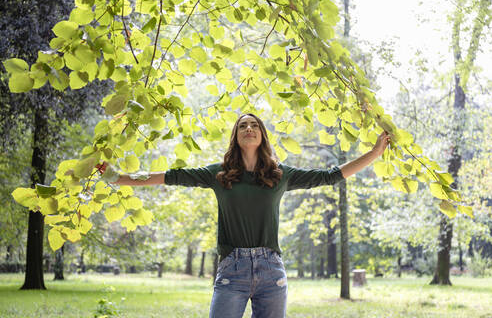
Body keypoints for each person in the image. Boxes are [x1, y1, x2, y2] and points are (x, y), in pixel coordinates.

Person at [97, 113, 391, 318]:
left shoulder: (281, 175)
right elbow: (167, 177)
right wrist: (117, 177)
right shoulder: (218, 174)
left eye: (254, 125)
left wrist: (375, 153)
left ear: (262, 135)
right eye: (242, 126)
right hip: (232, 270)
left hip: (271, 271)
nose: (248, 128)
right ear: (236, 137)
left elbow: (330, 176)